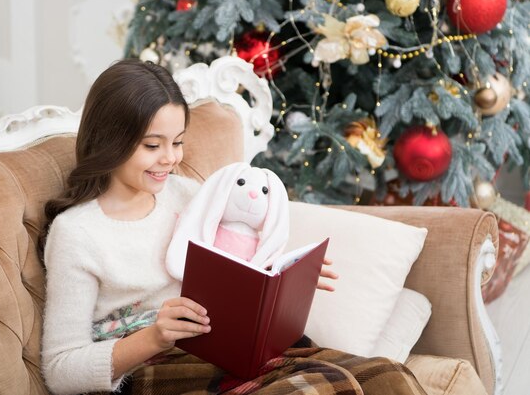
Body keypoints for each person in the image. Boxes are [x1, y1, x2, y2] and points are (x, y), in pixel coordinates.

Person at [39, 58, 425, 395]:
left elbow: (239, 257)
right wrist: (155, 335)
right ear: (109, 140)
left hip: (225, 345)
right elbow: (59, 369)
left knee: (387, 376)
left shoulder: (188, 195)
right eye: (152, 146)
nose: (170, 159)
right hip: (150, 368)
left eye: (178, 142)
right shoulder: (77, 234)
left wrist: (287, 271)